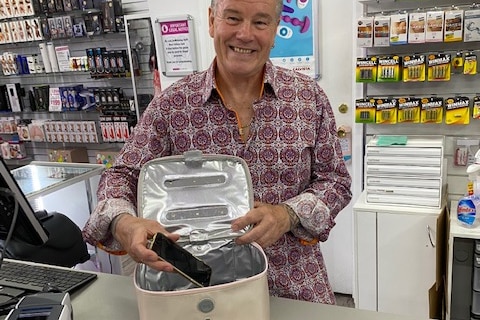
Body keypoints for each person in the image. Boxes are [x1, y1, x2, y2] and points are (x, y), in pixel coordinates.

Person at [82, 0, 352, 304]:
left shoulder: (308, 98)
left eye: (261, 22)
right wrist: (125, 223)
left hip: (296, 285)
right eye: (233, 18)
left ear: (276, 30)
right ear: (212, 21)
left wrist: (287, 214)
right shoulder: (172, 105)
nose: (245, 34)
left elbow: (335, 181)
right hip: (197, 287)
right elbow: (121, 175)